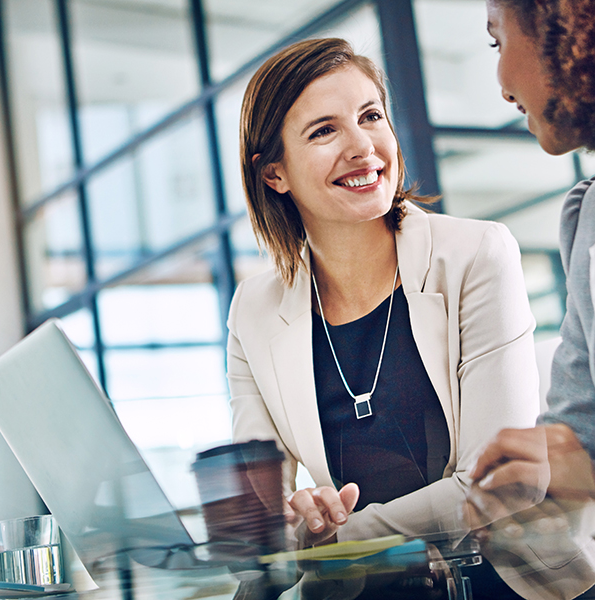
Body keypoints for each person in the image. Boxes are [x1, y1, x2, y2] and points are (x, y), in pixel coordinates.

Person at [228, 37, 540, 598]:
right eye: (324, 130)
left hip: (502, 581)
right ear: (274, 174)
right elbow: (261, 515)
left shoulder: (477, 254)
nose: (362, 146)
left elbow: (503, 486)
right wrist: (299, 519)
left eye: (370, 116)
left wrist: (338, 543)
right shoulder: (254, 311)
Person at [463, 0, 595, 598]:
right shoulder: (586, 216)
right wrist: (534, 513)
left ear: (561, 29)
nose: (501, 82)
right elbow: (576, 437)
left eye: (498, 41)